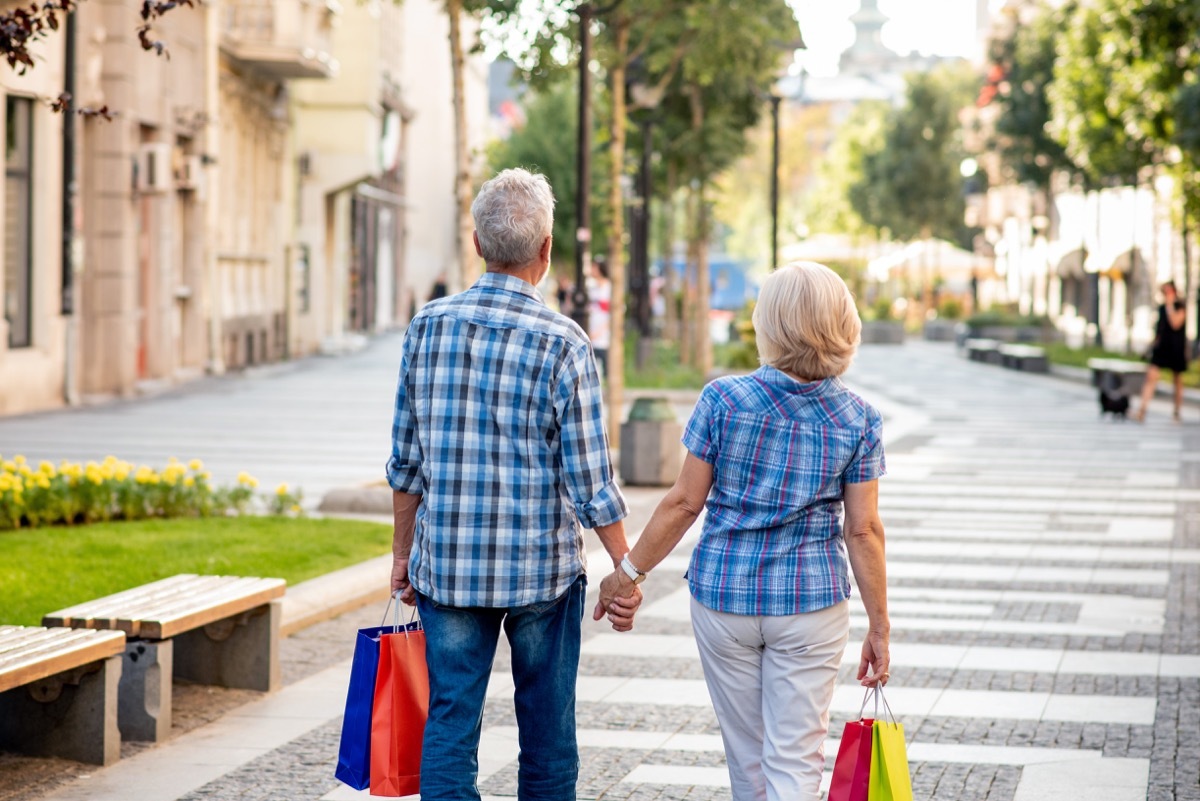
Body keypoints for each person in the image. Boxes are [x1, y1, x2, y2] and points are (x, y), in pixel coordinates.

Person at [386, 167, 641, 801]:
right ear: (547, 250)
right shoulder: (565, 344)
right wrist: (624, 568)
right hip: (541, 574)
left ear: (476, 243)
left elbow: (406, 462)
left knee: (448, 723)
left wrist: (401, 555)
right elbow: (591, 479)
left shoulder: (427, 327)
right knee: (548, 732)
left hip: (446, 567)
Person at [598, 261, 892, 801]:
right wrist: (880, 625)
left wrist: (628, 572)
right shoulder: (860, 419)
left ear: (769, 323)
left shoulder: (722, 400)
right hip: (811, 604)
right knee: (796, 757)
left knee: (748, 760)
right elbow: (864, 530)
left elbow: (685, 503)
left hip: (725, 600)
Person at [1135, 280, 1188, 422]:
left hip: (1176, 348)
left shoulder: (1179, 306)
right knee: (1150, 376)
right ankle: (1142, 411)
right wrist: (1150, 346)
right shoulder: (1161, 308)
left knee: (1177, 380)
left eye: (1168, 291)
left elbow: (1176, 324)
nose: (1166, 295)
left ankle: (1177, 412)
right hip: (1162, 348)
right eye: (1164, 292)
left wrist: (1170, 306)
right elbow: (1160, 330)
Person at [587, 257, 612, 378]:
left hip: (604, 336)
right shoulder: (592, 288)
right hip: (592, 333)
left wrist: (600, 331)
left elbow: (613, 313)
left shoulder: (609, 288)